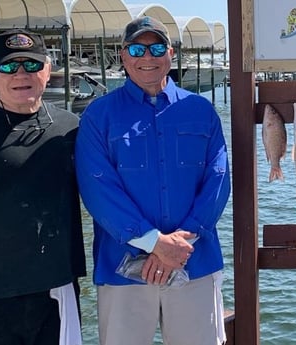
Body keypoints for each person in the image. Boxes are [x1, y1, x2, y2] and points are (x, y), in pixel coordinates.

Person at [75, 16, 231, 345]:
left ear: (170, 53)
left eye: (156, 47)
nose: (147, 57)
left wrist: (179, 244)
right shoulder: (97, 115)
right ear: (123, 55)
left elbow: (217, 181)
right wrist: (154, 243)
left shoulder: (202, 110)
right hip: (122, 268)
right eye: (137, 48)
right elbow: (97, 189)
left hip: (195, 262)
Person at [0, 29, 86, 344]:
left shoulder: (73, 129)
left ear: (47, 69)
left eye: (31, 65)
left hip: (54, 292)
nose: (21, 74)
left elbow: (110, 190)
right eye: (9, 66)